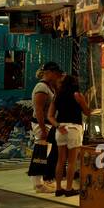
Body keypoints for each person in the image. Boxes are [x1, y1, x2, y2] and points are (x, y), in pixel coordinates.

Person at [49, 72, 88, 197]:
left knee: (60, 160)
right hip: (74, 129)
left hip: (60, 129)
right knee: (71, 162)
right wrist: (84, 102)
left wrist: (57, 125)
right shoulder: (77, 95)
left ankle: (59, 188)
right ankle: (69, 188)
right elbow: (87, 112)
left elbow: (49, 116)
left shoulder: (57, 96)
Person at [30, 62, 62, 193]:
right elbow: (38, 110)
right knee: (40, 154)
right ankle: (38, 184)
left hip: (46, 125)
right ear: (49, 73)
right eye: (55, 74)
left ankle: (41, 181)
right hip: (41, 124)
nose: (57, 76)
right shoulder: (41, 87)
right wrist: (43, 129)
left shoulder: (49, 87)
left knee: (45, 153)